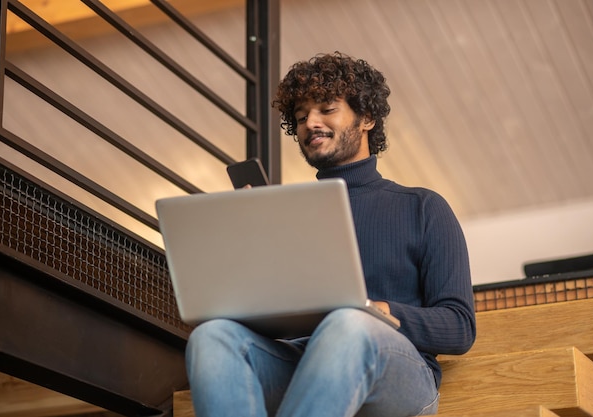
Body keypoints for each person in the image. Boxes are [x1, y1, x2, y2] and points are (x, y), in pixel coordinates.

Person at [185, 51, 476, 417]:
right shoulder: (284, 215)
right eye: (301, 116)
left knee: (349, 323)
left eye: (326, 108)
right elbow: (267, 319)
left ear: (367, 117)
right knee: (212, 337)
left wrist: (373, 310)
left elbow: (459, 327)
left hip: (400, 376)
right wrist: (247, 239)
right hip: (303, 363)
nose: (310, 123)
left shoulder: (423, 207)